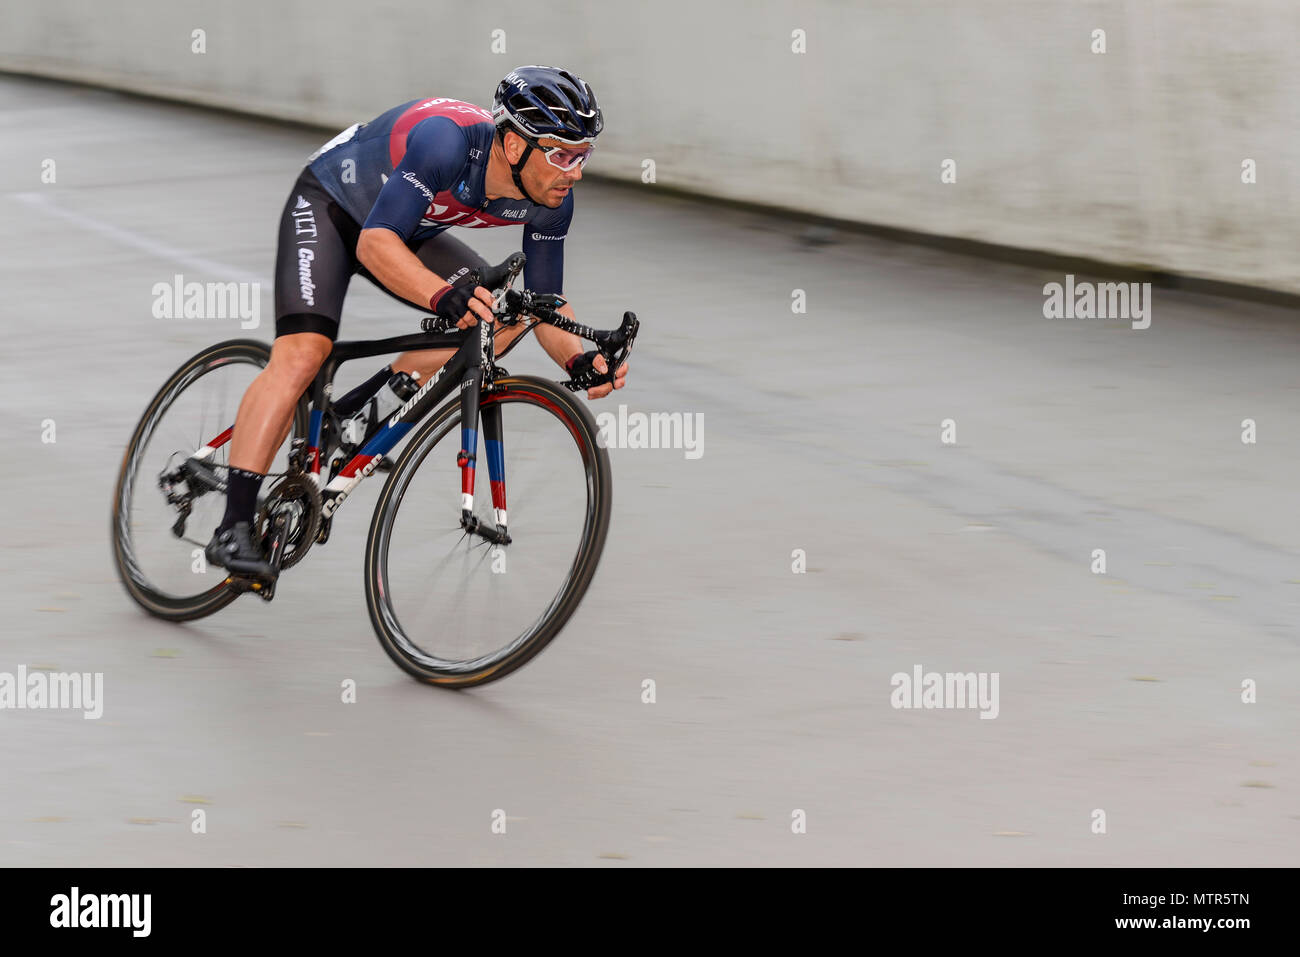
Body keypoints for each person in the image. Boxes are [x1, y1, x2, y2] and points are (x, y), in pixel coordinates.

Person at [205, 65, 629, 580]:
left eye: (584, 155)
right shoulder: (447, 144)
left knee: (507, 313)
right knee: (304, 352)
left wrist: (580, 357)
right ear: (515, 146)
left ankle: (370, 408)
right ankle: (232, 528)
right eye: (562, 154)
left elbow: (545, 303)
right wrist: (439, 294)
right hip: (334, 209)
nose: (575, 172)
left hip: (411, 225)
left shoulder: (551, 200)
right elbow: (374, 242)